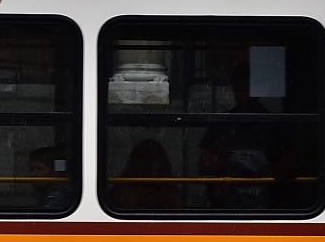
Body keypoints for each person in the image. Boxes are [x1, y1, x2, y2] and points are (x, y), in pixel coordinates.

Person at [199, 61, 275, 209]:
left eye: (247, 87)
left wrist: (259, 167)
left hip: (266, 198)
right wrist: (230, 165)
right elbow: (203, 166)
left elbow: (289, 166)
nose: (243, 92)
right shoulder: (222, 122)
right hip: (226, 199)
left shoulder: (273, 123)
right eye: (239, 87)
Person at [109, 138, 184, 210]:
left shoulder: (167, 185)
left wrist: (158, 197)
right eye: (143, 158)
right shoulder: (124, 185)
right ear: (134, 161)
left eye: (152, 160)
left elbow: (177, 206)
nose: (146, 164)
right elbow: (121, 204)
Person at [27, 146, 74, 211]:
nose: (33, 174)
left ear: (56, 173)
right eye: (31, 169)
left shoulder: (56, 196)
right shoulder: (48, 192)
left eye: (39, 169)